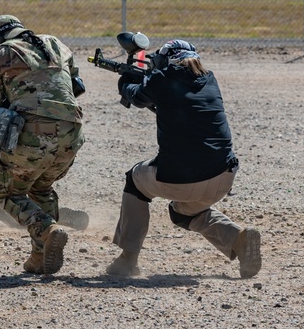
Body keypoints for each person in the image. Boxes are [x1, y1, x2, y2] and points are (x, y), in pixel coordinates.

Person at [106, 39, 262, 279]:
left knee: (134, 181)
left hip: (182, 178)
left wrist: (126, 78)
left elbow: (135, 97)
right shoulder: (209, 79)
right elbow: (182, 104)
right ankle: (238, 239)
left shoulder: (162, 79)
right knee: (182, 212)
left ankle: (127, 259)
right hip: (223, 176)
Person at [0, 15, 85, 275]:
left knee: (3, 189)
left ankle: (47, 229)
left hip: (32, 135)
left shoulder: (0, 54)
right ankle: (40, 256)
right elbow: (75, 86)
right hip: (72, 135)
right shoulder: (56, 45)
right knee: (42, 187)